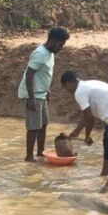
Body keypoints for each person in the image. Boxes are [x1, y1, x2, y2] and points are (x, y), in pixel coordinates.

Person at [60, 71, 108, 193]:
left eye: (66, 88)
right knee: (107, 143)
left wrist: (87, 136)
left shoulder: (79, 92)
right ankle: (104, 173)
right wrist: (77, 131)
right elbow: (87, 114)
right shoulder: (85, 86)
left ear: (69, 83)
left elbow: (89, 118)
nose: (68, 91)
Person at [17, 27, 70, 162]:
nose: (61, 48)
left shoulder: (50, 53)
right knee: (34, 127)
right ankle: (29, 157)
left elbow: (43, 74)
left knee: (43, 124)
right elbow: (29, 75)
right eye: (60, 44)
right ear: (53, 41)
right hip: (33, 94)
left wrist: (47, 90)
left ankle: (40, 152)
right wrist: (31, 98)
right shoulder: (40, 53)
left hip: (40, 93)